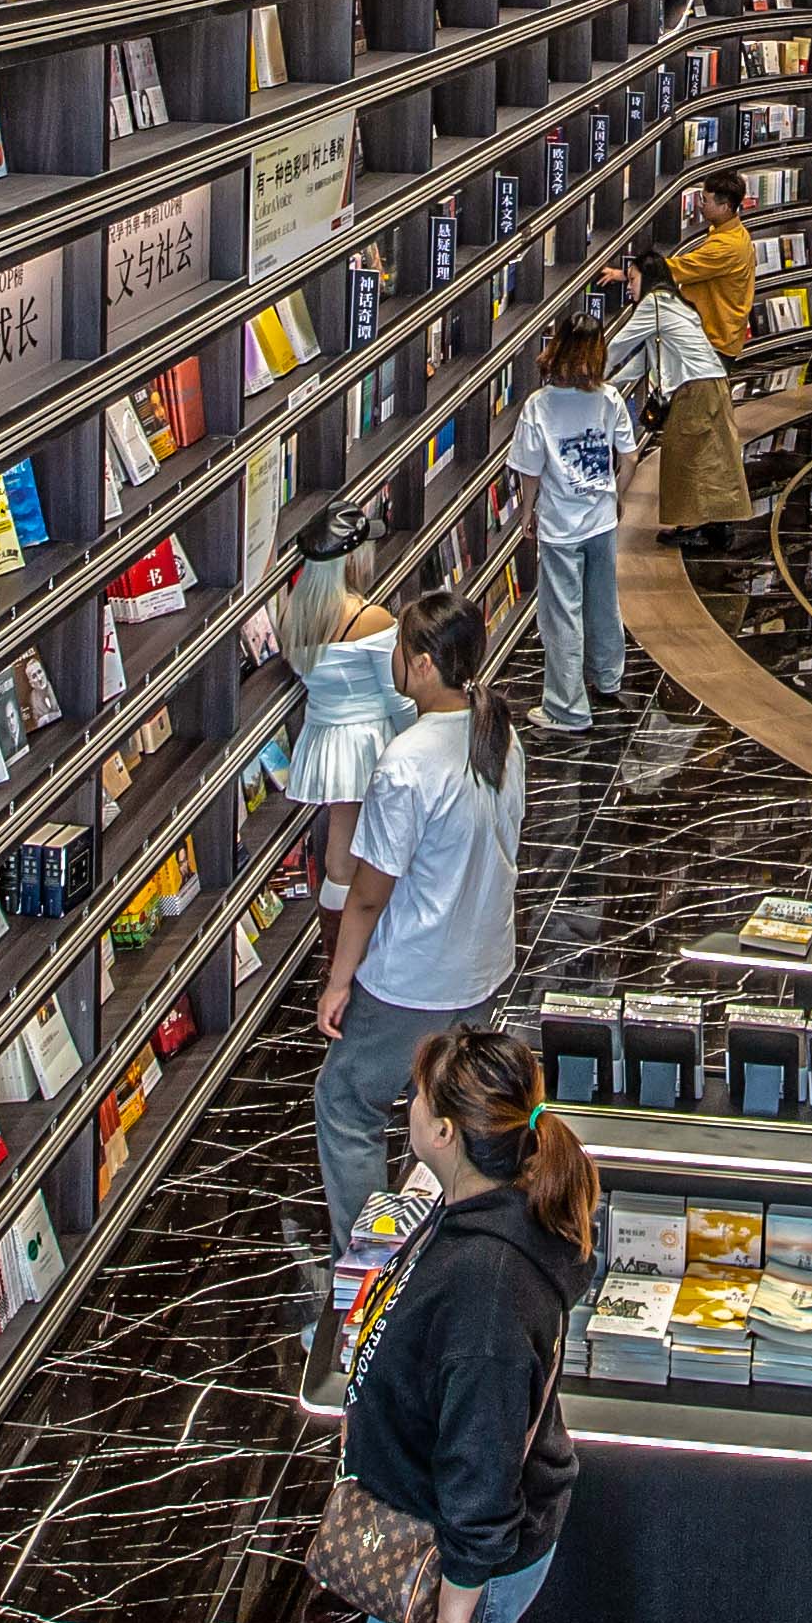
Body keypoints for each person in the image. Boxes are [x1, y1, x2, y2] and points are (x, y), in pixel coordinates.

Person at [315, 1019, 598, 1623]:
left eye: (420, 1098)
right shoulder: (500, 1209)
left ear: (444, 1132)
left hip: (455, 1564)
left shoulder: (482, 1287)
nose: (410, 1108)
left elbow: (475, 1485)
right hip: (514, 1546)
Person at [314, 603, 525, 1249]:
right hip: (482, 966)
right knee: (445, 1102)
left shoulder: (407, 762)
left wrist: (338, 981)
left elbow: (369, 896)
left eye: (401, 650)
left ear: (426, 666)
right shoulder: (500, 737)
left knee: (345, 1100)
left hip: (412, 979)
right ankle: (443, 1231)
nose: (394, 660)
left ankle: (368, 1260)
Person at [498, 315, 637, 734]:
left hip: (560, 526)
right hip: (600, 520)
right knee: (603, 600)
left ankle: (567, 707)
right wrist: (617, 497)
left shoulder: (539, 405)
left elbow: (529, 468)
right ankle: (608, 675)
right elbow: (629, 457)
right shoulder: (609, 398)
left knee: (562, 615)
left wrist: (527, 512)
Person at [269, 500, 406, 905]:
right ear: (350, 560)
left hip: (325, 736)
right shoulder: (370, 618)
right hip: (371, 739)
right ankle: (367, 937)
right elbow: (396, 692)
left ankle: (338, 941)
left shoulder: (295, 615)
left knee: (340, 847)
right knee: (382, 844)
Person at [607, 255, 744, 543]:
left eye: (632, 279)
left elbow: (620, 345)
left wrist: (586, 374)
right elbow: (645, 358)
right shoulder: (674, 302)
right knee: (711, 453)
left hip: (695, 387)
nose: (629, 287)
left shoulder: (653, 303)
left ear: (649, 278)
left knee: (687, 454)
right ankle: (713, 525)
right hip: (710, 382)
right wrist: (607, 382)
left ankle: (697, 526)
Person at [664, 180, 762, 371]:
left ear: (724, 207)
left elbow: (681, 268)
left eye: (705, 200)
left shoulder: (726, 246)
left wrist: (631, 272)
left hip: (714, 342)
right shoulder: (733, 232)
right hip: (720, 338)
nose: (700, 205)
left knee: (696, 398)